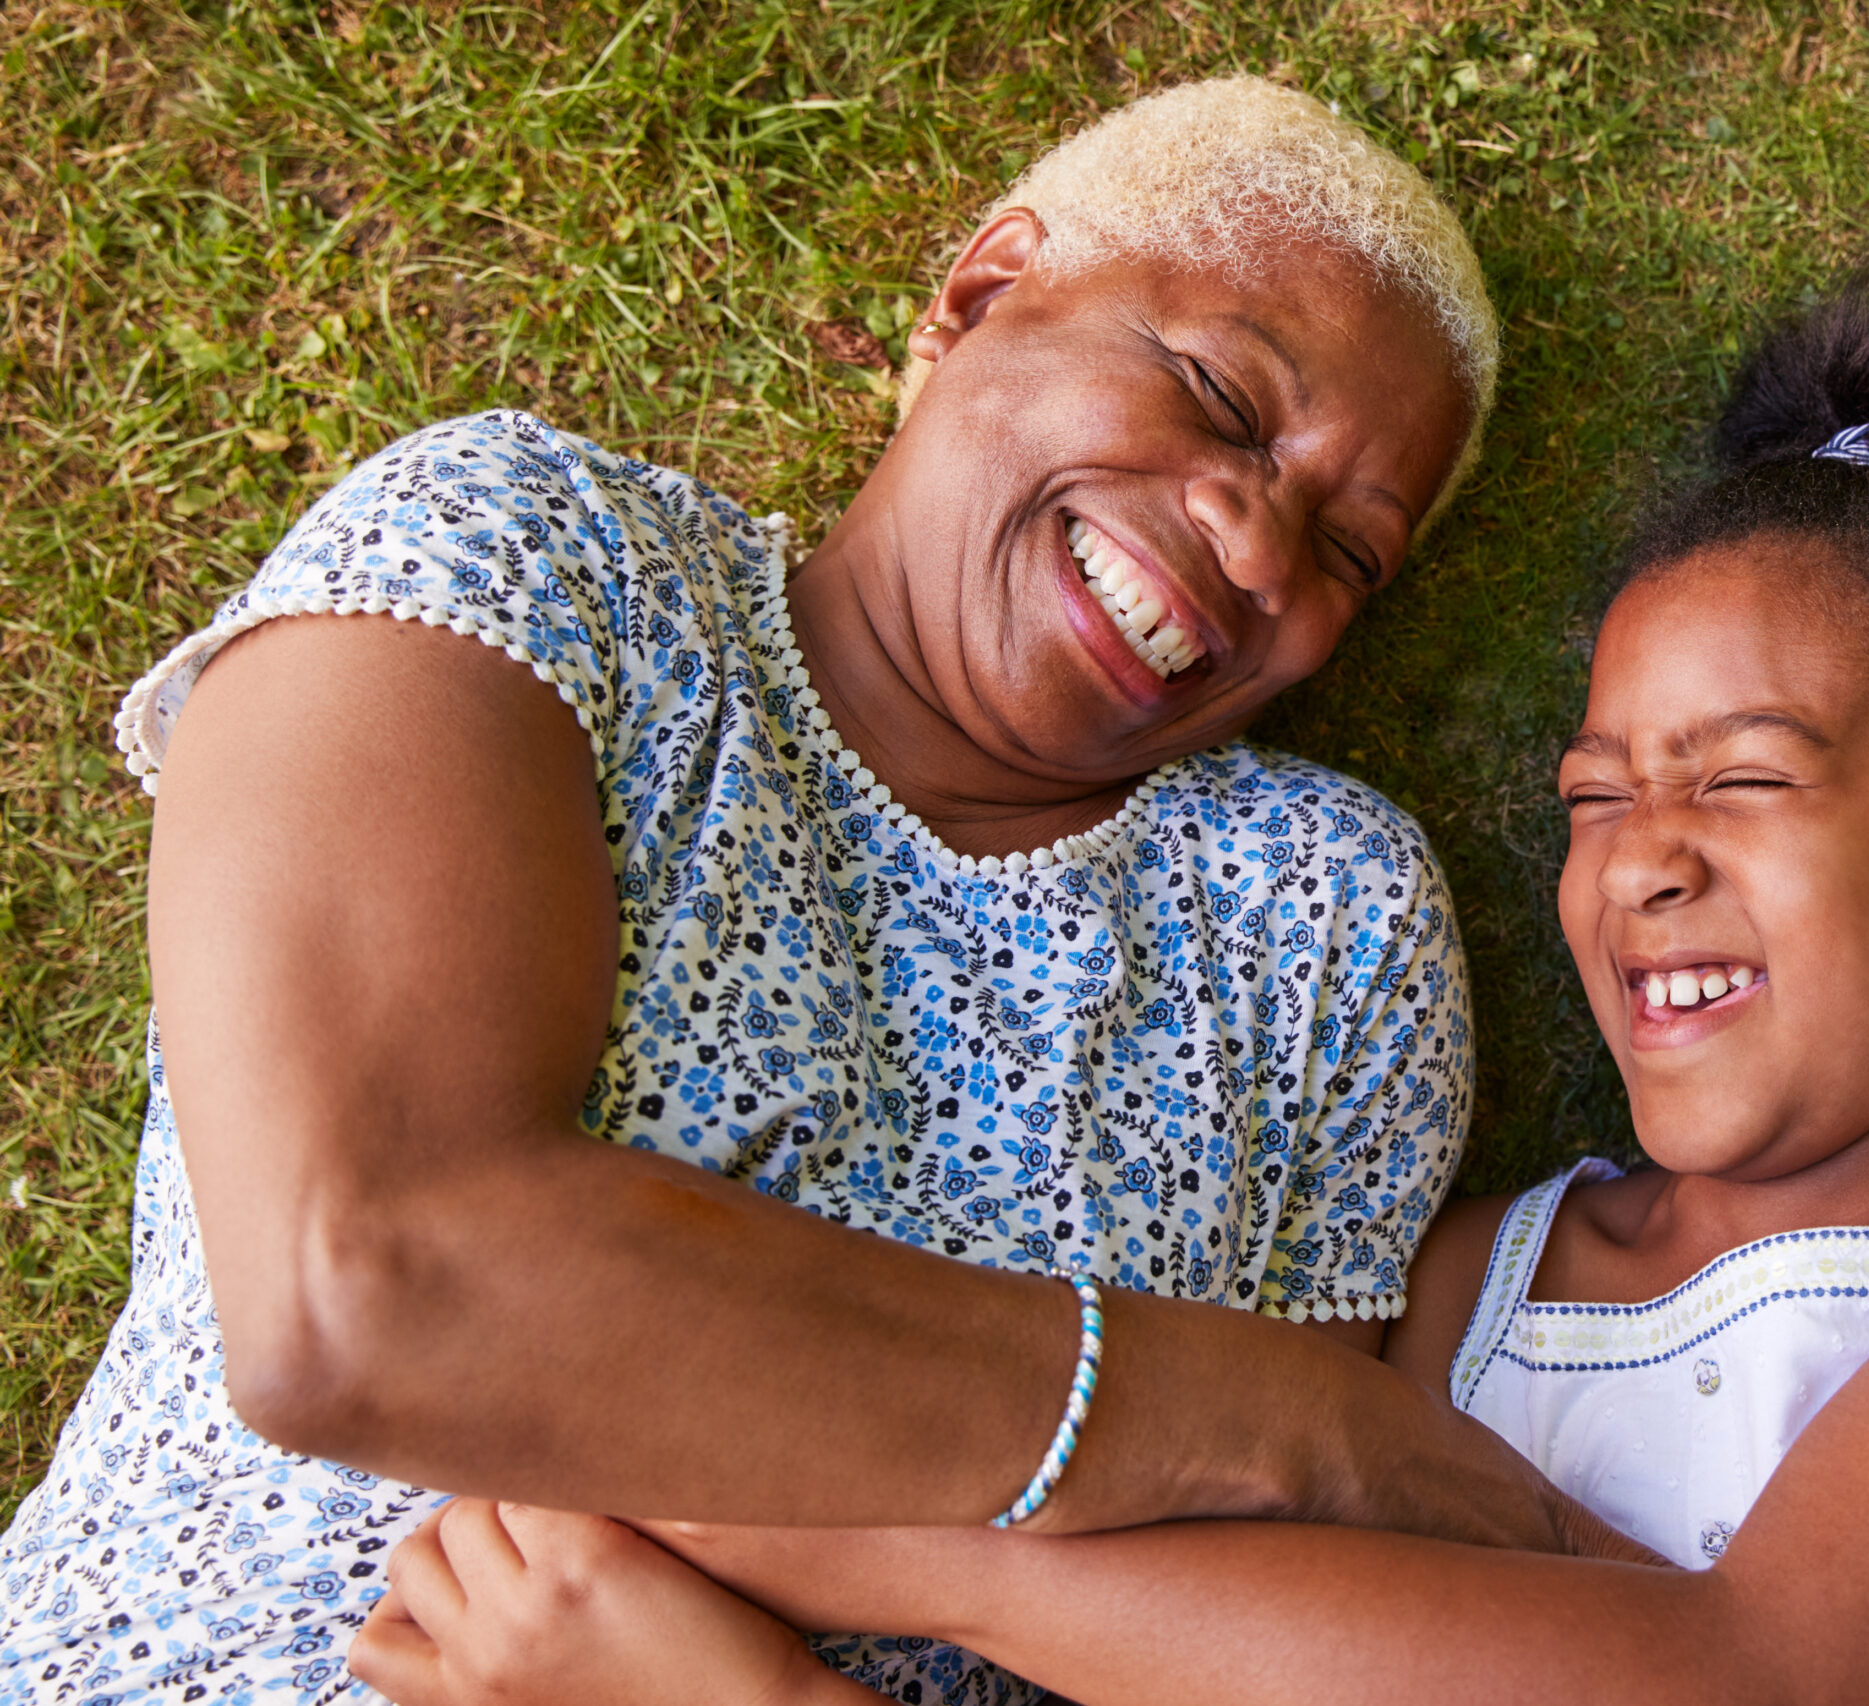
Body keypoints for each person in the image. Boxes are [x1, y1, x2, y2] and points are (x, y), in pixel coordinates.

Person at [350, 284, 1869, 1706]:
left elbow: (1770, 1670)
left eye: (1741, 774)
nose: (1636, 857)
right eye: (1588, 796)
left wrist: (842, 1549)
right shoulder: (1458, 1299)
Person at [0, 78, 1646, 1706]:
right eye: (1222, 400)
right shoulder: (537, 559)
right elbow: (371, 1278)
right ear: (981, 293)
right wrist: (1275, 1422)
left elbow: (1247, 1647)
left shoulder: (1327, 931)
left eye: (1350, 552)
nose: (1261, 545)